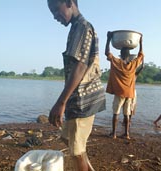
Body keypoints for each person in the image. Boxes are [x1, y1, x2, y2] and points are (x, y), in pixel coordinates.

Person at [47, 0, 106, 170]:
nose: (55, 17)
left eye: (56, 10)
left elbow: (80, 67)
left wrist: (61, 102)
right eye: (52, 13)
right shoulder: (76, 27)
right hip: (78, 98)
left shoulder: (82, 27)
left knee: (76, 151)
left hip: (83, 99)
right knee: (69, 138)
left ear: (69, 3)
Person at [105, 31, 144, 139]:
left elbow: (107, 53)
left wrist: (108, 39)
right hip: (130, 94)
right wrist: (141, 42)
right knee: (126, 114)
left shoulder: (117, 63)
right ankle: (126, 134)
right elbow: (141, 55)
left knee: (115, 113)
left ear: (121, 55)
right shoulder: (133, 65)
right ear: (129, 56)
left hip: (119, 93)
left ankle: (113, 133)